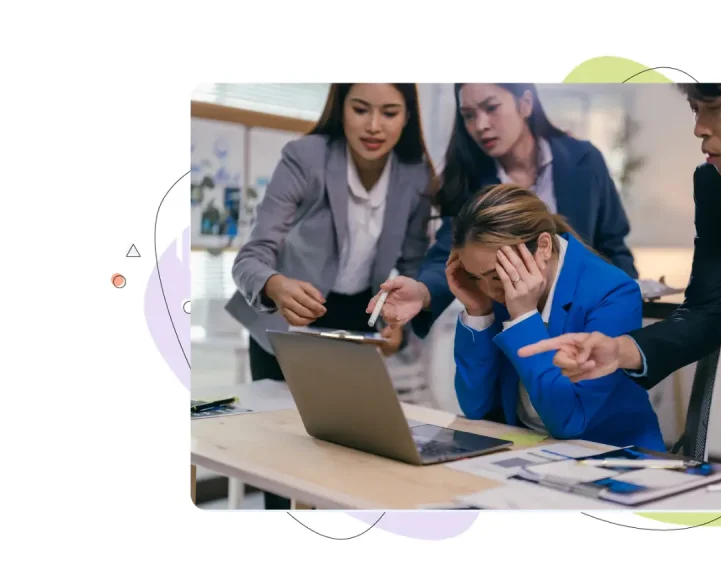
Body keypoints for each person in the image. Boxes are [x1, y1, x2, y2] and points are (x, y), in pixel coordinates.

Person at [519, 83, 721, 485]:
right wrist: (622, 349)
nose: (699, 128)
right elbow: (708, 310)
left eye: (714, 108)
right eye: (694, 110)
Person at [224, 83, 435, 508]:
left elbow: (413, 266)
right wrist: (274, 284)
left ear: (408, 116)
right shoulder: (306, 157)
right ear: (340, 108)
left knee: (348, 454)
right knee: (282, 457)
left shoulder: (415, 175)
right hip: (286, 314)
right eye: (360, 109)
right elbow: (251, 257)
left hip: (356, 315)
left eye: (390, 113)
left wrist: (398, 322)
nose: (374, 126)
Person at [365, 83, 638, 337]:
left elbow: (612, 245)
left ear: (526, 103)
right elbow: (449, 255)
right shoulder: (469, 179)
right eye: (468, 115)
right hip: (505, 330)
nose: (480, 125)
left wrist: (620, 307)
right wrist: (423, 292)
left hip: (583, 322)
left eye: (491, 108)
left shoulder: (584, 161)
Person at [447, 183, 663, 450]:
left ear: (543, 246)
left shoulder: (613, 293)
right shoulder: (495, 292)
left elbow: (569, 421)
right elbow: (475, 408)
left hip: (607, 455)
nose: (490, 289)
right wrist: (478, 313)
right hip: (528, 448)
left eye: (496, 275)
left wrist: (523, 316)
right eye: (475, 277)